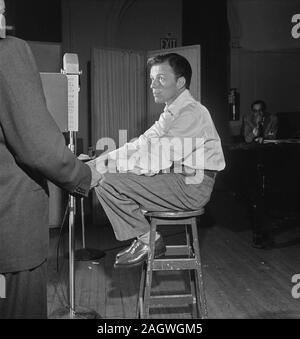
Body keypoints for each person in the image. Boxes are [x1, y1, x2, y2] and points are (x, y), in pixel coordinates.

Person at [0, 0, 101, 319]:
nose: (3, 15)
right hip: (11, 227)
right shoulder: (8, 51)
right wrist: (83, 174)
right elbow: (37, 147)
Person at [90, 53, 225, 268]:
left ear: (180, 82)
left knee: (105, 180)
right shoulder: (172, 112)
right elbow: (141, 143)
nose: (153, 85)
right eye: (152, 79)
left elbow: (157, 160)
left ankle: (148, 240)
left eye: (161, 78)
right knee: (103, 174)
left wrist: (105, 168)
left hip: (193, 187)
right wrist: (102, 160)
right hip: (178, 178)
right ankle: (144, 238)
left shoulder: (191, 113)